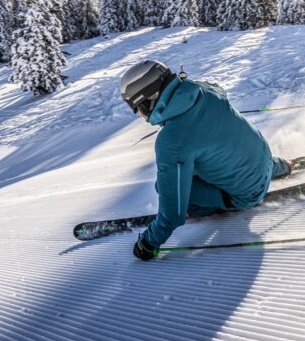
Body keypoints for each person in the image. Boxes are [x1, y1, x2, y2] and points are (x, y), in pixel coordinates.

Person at [120, 60, 291, 261]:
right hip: (266, 159)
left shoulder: (172, 140)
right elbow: (216, 96)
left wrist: (149, 243)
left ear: (148, 100)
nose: (139, 115)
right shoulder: (204, 89)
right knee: (209, 152)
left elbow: (173, 212)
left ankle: (212, 205)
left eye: (136, 109)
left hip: (247, 194)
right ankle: (283, 166)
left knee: (163, 186)